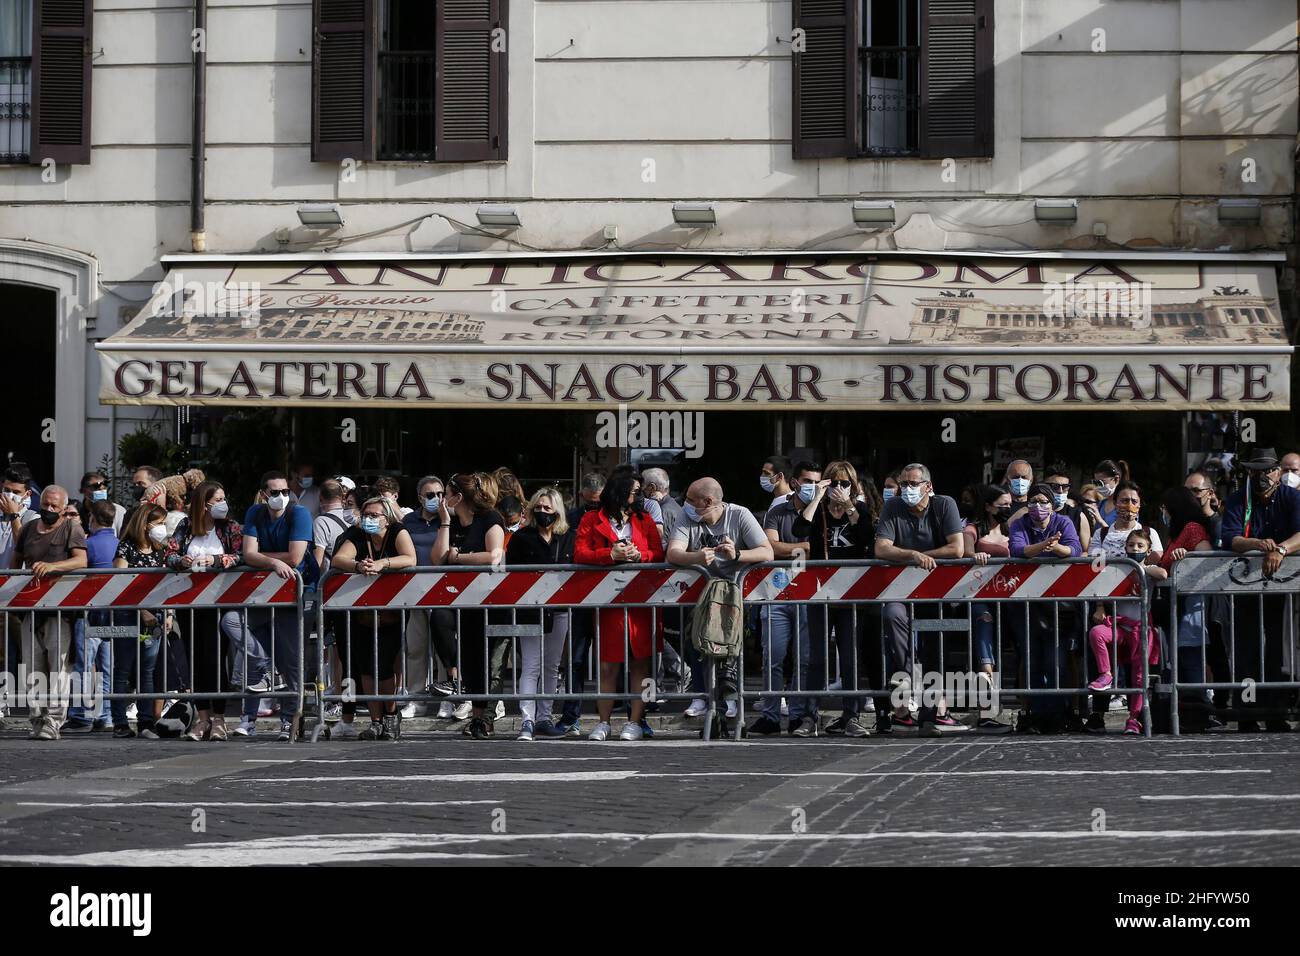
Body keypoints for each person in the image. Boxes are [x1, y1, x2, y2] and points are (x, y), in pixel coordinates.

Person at [667, 477, 773, 726]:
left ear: (709, 501)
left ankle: (732, 697)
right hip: (700, 597)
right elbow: (672, 552)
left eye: (692, 501)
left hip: (733, 595)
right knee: (697, 641)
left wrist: (737, 553)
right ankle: (702, 696)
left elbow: (766, 551)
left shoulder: (740, 515)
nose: (687, 505)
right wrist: (695, 556)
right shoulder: (687, 516)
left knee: (730, 645)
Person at [873, 463, 966, 736]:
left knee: (935, 649)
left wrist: (928, 557)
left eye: (913, 484)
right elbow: (881, 548)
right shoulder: (893, 507)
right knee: (893, 616)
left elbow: (957, 548)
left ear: (929, 487)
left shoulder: (944, 505)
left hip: (937, 591)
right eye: (904, 484)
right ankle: (905, 676)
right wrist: (913, 555)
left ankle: (929, 716)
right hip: (900, 589)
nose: (907, 489)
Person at [573, 473, 664, 741]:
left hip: (641, 602)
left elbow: (659, 553)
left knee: (641, 665)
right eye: (635, 491)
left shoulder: (645, 519)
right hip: (608, 602)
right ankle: (603, 722)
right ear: (619, 491)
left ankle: (636, 722)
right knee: (607, 666)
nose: (639, 497)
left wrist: (640, 555)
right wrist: (609, 555)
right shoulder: (591, 519)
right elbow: (580, 553)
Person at [1220, 447, 1300, 732]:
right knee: (1246, 650)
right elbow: (1230, 538)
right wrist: (1257, 543)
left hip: (1280, 586)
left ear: (1277, 472)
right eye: (1256, 471)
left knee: (1277, 649)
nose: (1262, 476)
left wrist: (1280, 548)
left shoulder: (1291, 497)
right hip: (1245, 586)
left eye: (1267, 470)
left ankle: (1276, 712)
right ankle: (1246, 714)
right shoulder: (1237, 499)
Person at [233, 470, 315, 742]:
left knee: (292, 662)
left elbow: (295, 556)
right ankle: (264, 674)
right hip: (261, 593)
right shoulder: (255, 513)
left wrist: (262, 558)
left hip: (296, 594)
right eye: (274, 492)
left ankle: (289, 722)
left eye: (284, 491)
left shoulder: (299, 513)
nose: (281, 496)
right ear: (263, 494)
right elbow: (248, 553)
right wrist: (273, 562)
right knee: (232, 621)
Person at [792, 460, 873, 737]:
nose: (838, 489)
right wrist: (817, 498)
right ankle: (809, 715)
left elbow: (866, 537)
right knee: (817, 656)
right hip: (820, 591)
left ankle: (852, 714)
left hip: (851, 592)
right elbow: (799, 531)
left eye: (844, 483)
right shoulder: (818, 511)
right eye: (834, 483)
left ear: (853, 486)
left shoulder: (859, 509)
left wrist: (849, 506)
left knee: (849, 655)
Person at [329, 497, 417, 740]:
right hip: (363, 613)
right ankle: (375, 720)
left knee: (384, 665)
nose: (368, 518)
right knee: (366, 665)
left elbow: (410, 558)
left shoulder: (399, 531)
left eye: (374, 515)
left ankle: (391, 715)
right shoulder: (357, 534)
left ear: (386, 518)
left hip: (392, 610)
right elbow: (338, 558)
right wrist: (358, 566)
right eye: (365, 513)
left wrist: (383, 563)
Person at [165, 480, 243, 741]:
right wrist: (182, 560)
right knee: (195, 660)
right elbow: (170, 555)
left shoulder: (229, 527)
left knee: (216, 658)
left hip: (220, 603)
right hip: (190, 603)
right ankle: (202, 718)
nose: (222, 503)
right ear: (204, 504)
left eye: (223, 498)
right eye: (217, 499)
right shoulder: (186, 527)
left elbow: (241, 554)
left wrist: (217, 560)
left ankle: (219, 718)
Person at [1084, 480, 1164, 733]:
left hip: (1139, 613)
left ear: (1140, 506)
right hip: (1108, 611)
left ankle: (1136, 717)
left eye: (1133, 501)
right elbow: (1094, 569)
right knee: (1099, 661)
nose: (1128, 506)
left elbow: (1157, 564)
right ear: (1114, 502)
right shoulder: (1103, 533)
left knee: (1137, 669)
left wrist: (1138, 566)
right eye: (1123, 500)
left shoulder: (1149, 532)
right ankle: (1098, 715)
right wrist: (1100, 606)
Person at [431, 472, 506, 739]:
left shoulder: (490, 519)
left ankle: (482, 718)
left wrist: (460, 557)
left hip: (487, 599)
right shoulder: (451, 522)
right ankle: (455, 676)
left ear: (458, 497)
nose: (442, 499)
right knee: (440, 620)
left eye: (446, 494)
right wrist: (444, 523)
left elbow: (494, 555)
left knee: (484, 661)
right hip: (456, 599)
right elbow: (438, 559)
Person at [12, 485, 88, 740]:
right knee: (33, 667)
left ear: (64, 507)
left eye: (54, 506)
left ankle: (54, 721)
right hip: (30, 610)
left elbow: (80, 561)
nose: (48, 509)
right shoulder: (29, 529)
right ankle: (36, 719)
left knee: (58, 668)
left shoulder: (71, 528)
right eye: (45, 504)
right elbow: (16, 562)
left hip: (59, 611)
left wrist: (53, 566)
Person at [1008, 483, 1083, 734]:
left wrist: (1056, 547)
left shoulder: (1063, 522)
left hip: (1058, 603)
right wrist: (1045, 546)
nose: (1037, 507)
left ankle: (1058, 712)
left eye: (1043, 502)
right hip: (1025, 602)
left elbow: (1074, 549)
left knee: (1056, 658)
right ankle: (1034, 713)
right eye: (1033, 502)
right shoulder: (1020, 524)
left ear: (1052, 505)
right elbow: (1018, 550)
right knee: (1031, 657)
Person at [750, 460, 818, 735]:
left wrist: (787, 548)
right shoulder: (778, 510)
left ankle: (800, 715)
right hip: (777, 591)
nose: (811, 487)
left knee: (803, 658)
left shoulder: (821, 511)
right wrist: (803, 547)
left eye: (816, 481)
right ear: (794, 482)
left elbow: (818, 550)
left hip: (810, 593)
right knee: (773, 656)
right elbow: (771, 548)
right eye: (806, 481)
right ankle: (770, 716)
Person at [507, 487, 575, 740]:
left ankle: (544, 717)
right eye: (538, 507)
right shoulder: (521, 538)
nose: (543, 512)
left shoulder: (569, 537)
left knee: (551, 665)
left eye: (547, 508)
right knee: (531, 665)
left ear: (557, 510)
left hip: (559, 610)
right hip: (530, 611)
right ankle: (527, 719)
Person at [1158, 485, 1220, 732]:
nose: (1162, 512)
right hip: (1178, 605)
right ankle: (1190, 711)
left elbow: (1204, 557)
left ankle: (1200, 711)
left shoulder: (1192, 529)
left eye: (1165, 508)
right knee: (1183, 658)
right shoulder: (1176, 532)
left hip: (1190, 604)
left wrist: (1185, 559)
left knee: (1191, 657)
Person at [399, 475, 461, 719]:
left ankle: (446, 699)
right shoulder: (408, 521)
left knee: (443, 649)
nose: (436, 499)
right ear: (419, 498)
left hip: (444, 592)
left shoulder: (451, 521)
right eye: (429, 495)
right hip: (415, 592)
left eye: (439, 494)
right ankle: (416, 699)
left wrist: (446, 520)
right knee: (415, 648)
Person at [109, 503, 171, 739]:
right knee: (123, 670)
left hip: (154, 620)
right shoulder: (125, 548)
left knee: (147, 670)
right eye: (159, 524)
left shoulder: (160, 549)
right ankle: (120, 722)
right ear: (145, 525)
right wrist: (142, 610)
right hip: (128, 617)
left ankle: (146, 722)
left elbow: (167, 586)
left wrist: (169, 614)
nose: (163, 528)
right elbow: (119, 584)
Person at [555, 471, 605, 735]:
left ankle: (622, 712)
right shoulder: (571, 519)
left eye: (596, 503)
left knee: (615, 660)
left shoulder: (613, 517)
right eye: (589, 503)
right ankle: (571, 714)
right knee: (575, 660)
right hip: (580, 595)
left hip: (611, 596)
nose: (592, 509)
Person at [63, 500, 119, 733]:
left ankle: (81, 715)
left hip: (89, 612)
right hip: (112, 614)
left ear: (92, 519)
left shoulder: (87, 544)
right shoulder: (119, 544)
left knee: (84, 665)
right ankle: (106, 715)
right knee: (106, 667)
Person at [964, 483, 1012, 730]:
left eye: (1009, 504)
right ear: (988, 506)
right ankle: (987, 710)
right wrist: (974, 557)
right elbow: (964, 552)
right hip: (979, 596)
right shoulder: (972, 529)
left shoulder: (1011, 529)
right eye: (1002, 504)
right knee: (984, 632)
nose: (1007, 508)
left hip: (1009, 598)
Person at [76, 470, 126, 536]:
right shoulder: (76, 512)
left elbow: (122, 539)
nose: (102, 489)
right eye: (96, 486)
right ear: (84, 490)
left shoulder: (118, 510)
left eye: (104, 484)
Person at [1184, 471, 1223, 548]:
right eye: (1186, 491)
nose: (1189, 495)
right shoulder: (1184, 524)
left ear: (1210, 493)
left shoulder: (1218, 525)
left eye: (1196, 490)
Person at [1092, 458, 1131, 528]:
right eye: (1095, 483)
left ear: (1116, 479)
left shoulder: (1128, 506)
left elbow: (1124, 535)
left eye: (1101, 483)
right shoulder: (1102, 503)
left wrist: (1100, 521)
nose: (1098, 487)